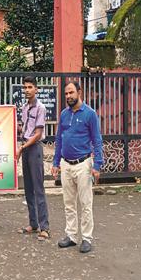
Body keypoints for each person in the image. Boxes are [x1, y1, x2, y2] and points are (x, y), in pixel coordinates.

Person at [51, 81, 103, 253]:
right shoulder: (64, 114)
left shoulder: (89, 114)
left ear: (79, 92)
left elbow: (97, 140)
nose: (68, 96)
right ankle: (72, 236)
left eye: (71, 93)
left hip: (83, 164)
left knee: (85, 203)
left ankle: (86, 238)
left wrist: (97, 165)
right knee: (69, 203)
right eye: (66, 94)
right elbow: (59, 139)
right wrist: (56, 162)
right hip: (66, 164)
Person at [17, 76, 50, 241]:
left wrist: (22, 147)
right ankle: (33, 223)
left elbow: (37, 134)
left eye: (30, 87)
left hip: (34, 148)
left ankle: (45, 227)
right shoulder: (24, 107)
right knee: (28, 188)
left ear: (36, 89)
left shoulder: (40, 108)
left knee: (38, 188)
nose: (27, 90)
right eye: (25, 87)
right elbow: (24, 128)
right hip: (25, 147)